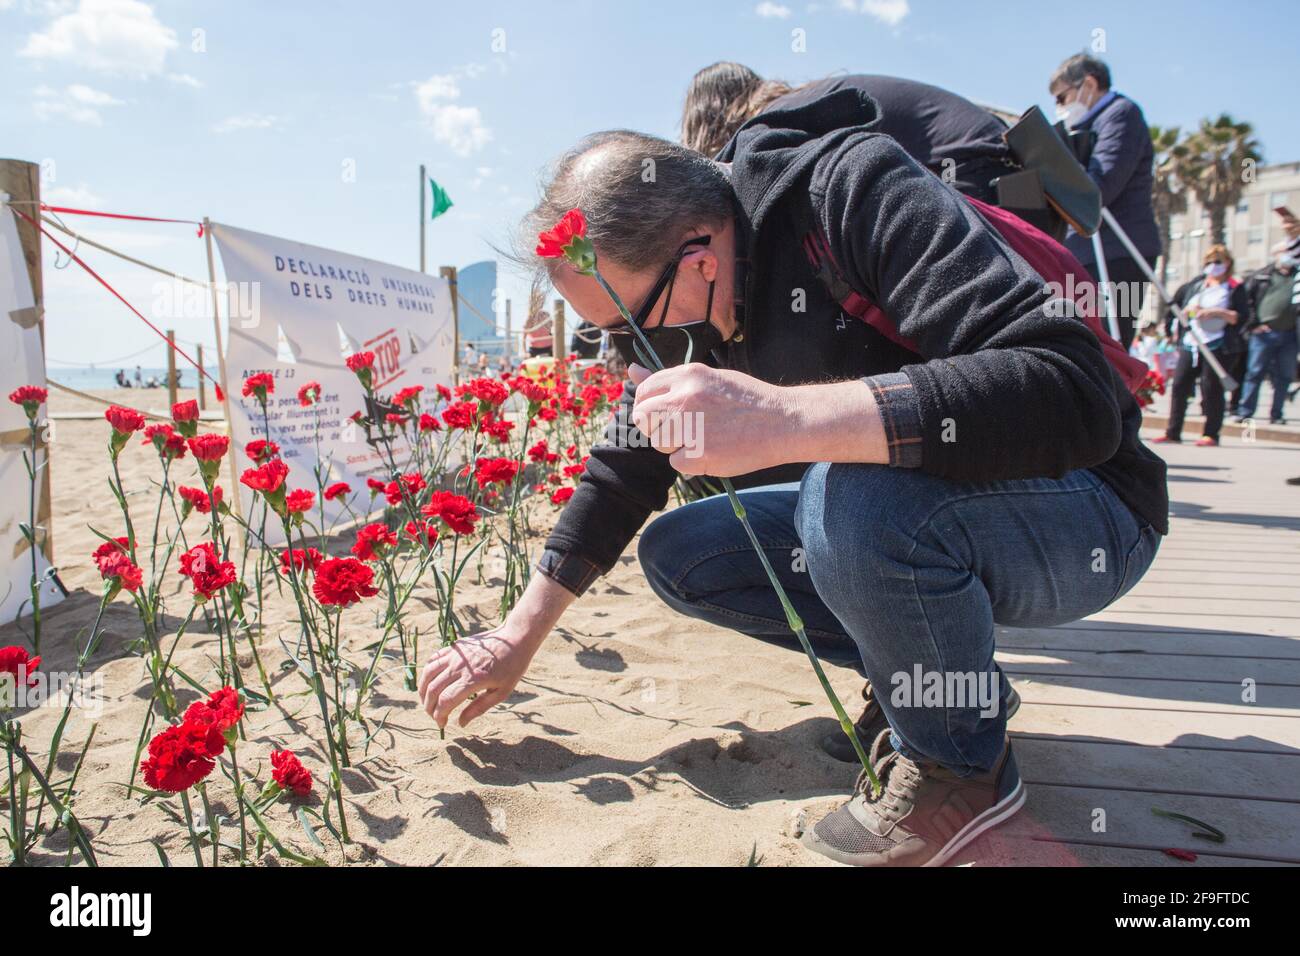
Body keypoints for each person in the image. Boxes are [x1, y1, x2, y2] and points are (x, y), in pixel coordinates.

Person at [417, 88, 1168, 867]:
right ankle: (941, 683)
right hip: (919, 517)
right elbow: (623, 467)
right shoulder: (685, 314)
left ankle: (964, 772)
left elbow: (1071, 395)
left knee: (853, 499)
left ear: (700, 258)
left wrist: (789, 419)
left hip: (1090, 509)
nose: (621, 353)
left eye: (623, 326)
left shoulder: (851, 192)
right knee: (687, 552)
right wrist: (517, 634)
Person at [681, 62, 1013, 204]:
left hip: (977, 177)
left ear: (709, 120)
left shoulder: (773, 122)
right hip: (1010, 175)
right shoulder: (807, 100)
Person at [1048, 54, 1160, 350]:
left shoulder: (1121, 114)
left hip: (1118, 251)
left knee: (1108, 345)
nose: (1060, 107)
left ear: (1089, 84)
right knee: (1078, 341)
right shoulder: (1081, 127)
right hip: (1082, 250)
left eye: (1063, 97)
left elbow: (1100, 186)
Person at [1155, 245, 1249, 447]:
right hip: (1191, 343)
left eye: (1218, 262)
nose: (1213, 266)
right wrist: (1182, 319)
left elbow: (1242, 317)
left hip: (1218, 345)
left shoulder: (1234, 287)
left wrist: (1215, 312)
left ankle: (1211, 433)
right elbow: (1175, 308)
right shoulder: (1195, 286)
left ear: (1228, 263)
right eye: (1209, 262)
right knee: (1180, 386)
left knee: (1212, 388)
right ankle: (1173, 431)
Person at [1235, 239, 1299, 425]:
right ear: (1276, 254)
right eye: (1287, 250)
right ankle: (1245, 412)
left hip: (1290, 335)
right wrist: (1253, 324)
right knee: (1255, 373)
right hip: (1263, 334)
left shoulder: (1297, 276)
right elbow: (1248, 302)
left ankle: (1277, 414)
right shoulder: (1262, 276)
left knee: (1284, 376)